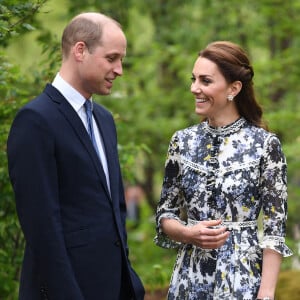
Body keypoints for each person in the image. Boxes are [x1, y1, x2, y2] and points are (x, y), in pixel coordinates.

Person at [7, 12, 145, 300]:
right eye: (112, 58)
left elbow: (114, 209)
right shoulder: (35, 120)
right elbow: (42, 226)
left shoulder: (104, 120)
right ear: (80, 50)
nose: (119, 69)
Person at [154, 41, 292, 300]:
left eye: (205, 81)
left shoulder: (265, 145)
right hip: (188, 280)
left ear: (234, 88)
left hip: (242, 282)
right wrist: (187, 233)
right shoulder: (182, 142)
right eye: (193, 79)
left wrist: (266, 294)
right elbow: (165, 214)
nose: (194, 88)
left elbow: (274, 230)